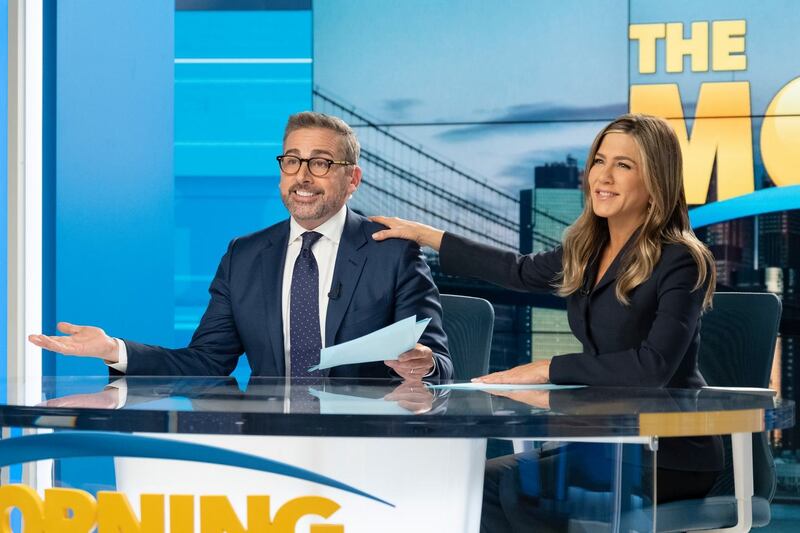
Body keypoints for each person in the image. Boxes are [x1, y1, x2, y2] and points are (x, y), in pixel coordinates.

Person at [371, 114, 722, 529]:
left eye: (623, 166)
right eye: (599, 161)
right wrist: (426, 235)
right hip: (607, 445)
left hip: (671, 453)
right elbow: (516, 271)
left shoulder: (680, 258)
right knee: (475, 485)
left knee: (522, 490)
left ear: (656, 181)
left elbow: (653, 368)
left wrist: (547, 369)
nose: (602, 177)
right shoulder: (588, 249)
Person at [29, 112, 452, 381]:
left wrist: (424, 364)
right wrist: (115, 349)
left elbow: (442, 364)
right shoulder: (244, 256)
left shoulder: (392, 252)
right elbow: (206, 362)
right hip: (268, 441)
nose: (302, 176)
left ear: (352, 180)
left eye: (320, 163)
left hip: (369, 445)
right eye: (292, 161)